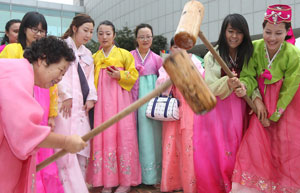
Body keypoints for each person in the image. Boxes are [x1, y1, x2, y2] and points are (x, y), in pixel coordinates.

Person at [0, 36, 87, 193]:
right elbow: (24, 132)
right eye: (61, 71)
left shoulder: (20, 72)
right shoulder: (16, 75)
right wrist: (66, 142)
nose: (60, 79)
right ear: (42, 60)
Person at [231, 4, 300, 193]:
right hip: (259, 105)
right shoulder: (254, 48)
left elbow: (291, 86)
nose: (272, 38)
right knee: (253, 146)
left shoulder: (294, 54)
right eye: (268, 31)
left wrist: (275, 114)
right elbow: (247, 76)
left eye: (278, 33)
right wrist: (255, 97)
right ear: (262, 29)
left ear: (287, 32)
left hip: (287, 108)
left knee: (285, 149)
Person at [0, 12, 64, 193]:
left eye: (42, 31)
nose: (38, 34)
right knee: (17, 150)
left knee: (42, 150)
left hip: (41, 102)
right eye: (34, 29)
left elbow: (53, 87)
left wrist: (52, 113)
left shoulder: (46, 54)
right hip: (16, 106)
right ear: (24, 29)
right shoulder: (12, 50)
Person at [192, 14, 254, 193]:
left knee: (238, 149)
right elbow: (209, 87)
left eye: (239, 32)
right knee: (220, 151)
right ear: (224, 32)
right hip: (219, 111)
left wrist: (246, 88)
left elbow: (253, 80)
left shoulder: (248, 53)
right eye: (230, 31)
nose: (234, 36)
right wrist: (227, 82)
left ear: (245, 34)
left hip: (240, 107)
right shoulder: (213, 54)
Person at [86, 20, 141, 193]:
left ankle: (125, 181)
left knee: (124, 135)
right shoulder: (94, 57)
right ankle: (107, 181)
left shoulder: (125, 54)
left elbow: (133, 75)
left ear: (114, 35)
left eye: (108, 33)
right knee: (104, 136)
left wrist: (120, 75)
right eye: (100, 33)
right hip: (101, 103)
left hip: (120, 101)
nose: (104, 37)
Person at [54, 13, 97, 193]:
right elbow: (56, 72)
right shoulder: (61, 46)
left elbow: (90, 80)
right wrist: (66, 95)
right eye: (85, 30)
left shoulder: (87, 54)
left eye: (91, 32)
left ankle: (78, 183)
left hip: (81, 106)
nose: (88, 35)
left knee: (81, 142)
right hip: (64, 102)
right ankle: (63, 184)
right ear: (74, 28)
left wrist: (91, 98)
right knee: (64, 140)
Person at [155, 37, 204, 193]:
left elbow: (201, 80)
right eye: (175, 47)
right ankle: (172, 182)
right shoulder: (167, 62)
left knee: (189, 144)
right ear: (170, 48)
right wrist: (172, 76)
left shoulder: (195, 60)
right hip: (172, 108)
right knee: (171, 143)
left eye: (181, 47)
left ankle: (190, 184)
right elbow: (160, 84)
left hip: (190, 107)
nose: (178, 50)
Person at [130, 23, 163, 186]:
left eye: (148, 36)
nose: (145, 39)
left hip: (151, 102)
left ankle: (152, 176)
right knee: (133, 136)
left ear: (152, 38)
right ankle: (135, 176)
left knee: (152, 137)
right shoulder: (129, 56)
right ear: (136, 39)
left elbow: (163, 80)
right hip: (132, 101)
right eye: (141, 36)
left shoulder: (158, 59)